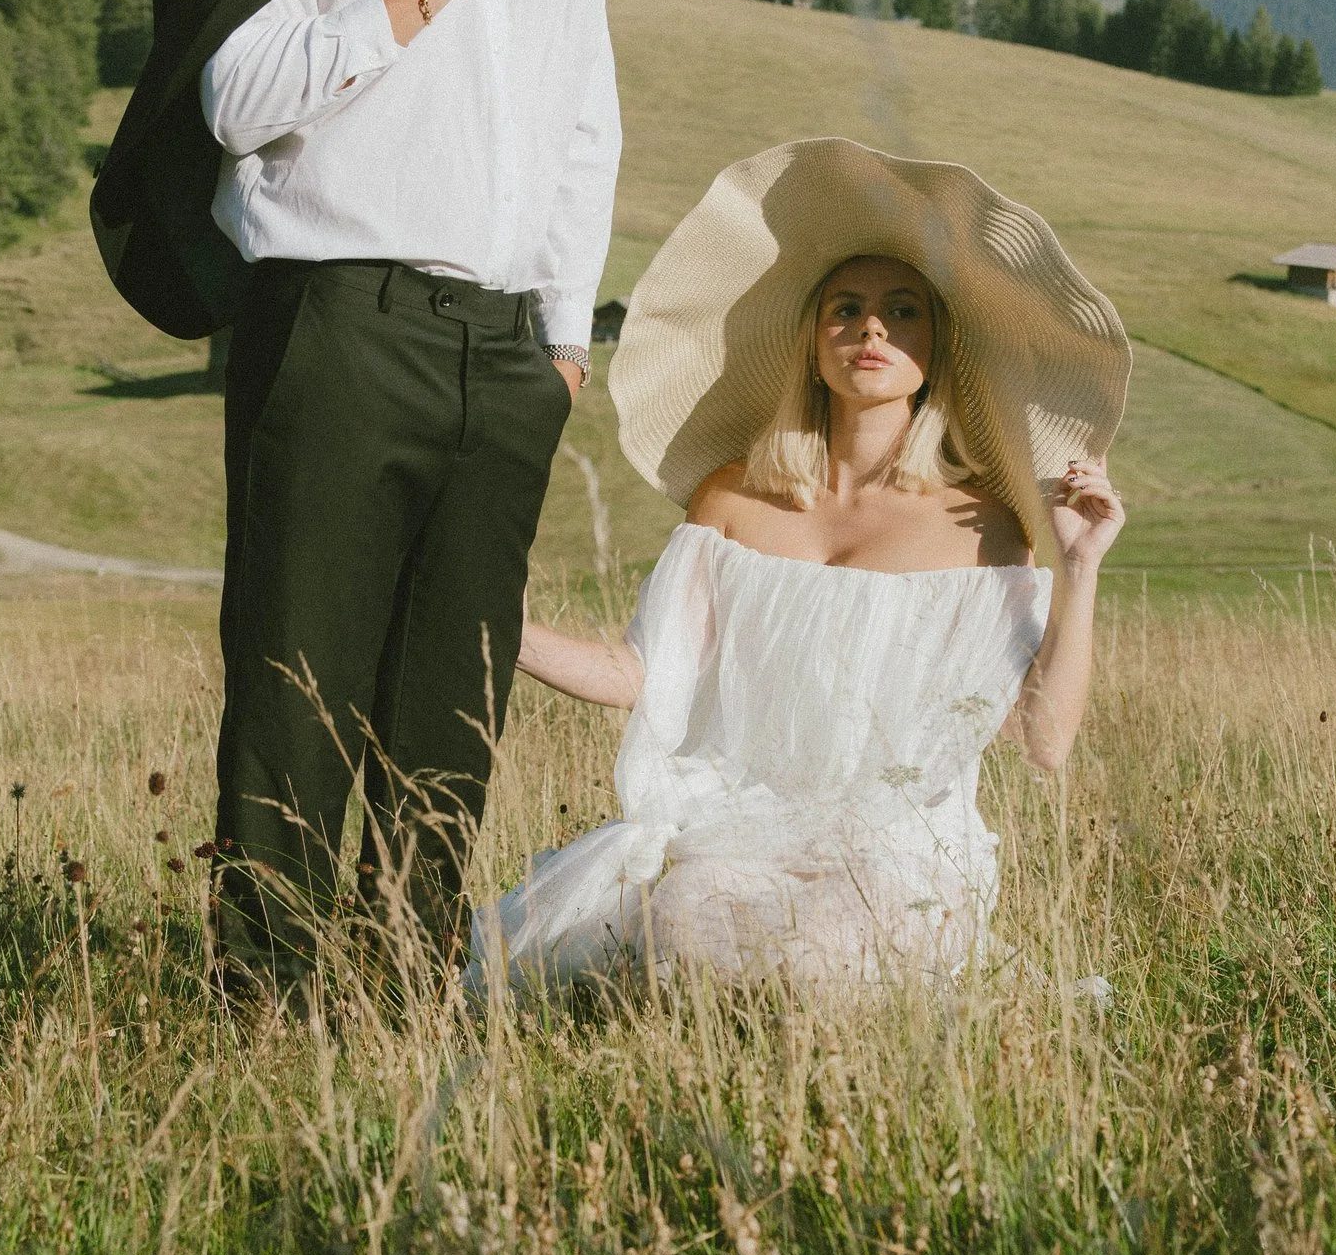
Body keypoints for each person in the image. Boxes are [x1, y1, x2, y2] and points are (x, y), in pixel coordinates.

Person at [90, 0, 620, 991]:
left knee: (449, 712)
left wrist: (564, 339)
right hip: (333, 320)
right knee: (296, 691)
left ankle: (394, 1010)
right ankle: (264, 1018)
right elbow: (237, 95)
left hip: (505, 352)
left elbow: (588, 129)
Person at [473, 137, 1130, 989]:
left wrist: (1080, 569)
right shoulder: (732, 502)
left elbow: (1043, 741)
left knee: (827, 955)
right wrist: (500, 620)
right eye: (846, 309)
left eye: (903, 311)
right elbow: (640, 671)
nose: (871, 329)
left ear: (937, 351)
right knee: (682, 928)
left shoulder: (983, 530)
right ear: (814, 340)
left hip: (896, 851)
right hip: (732, 831)